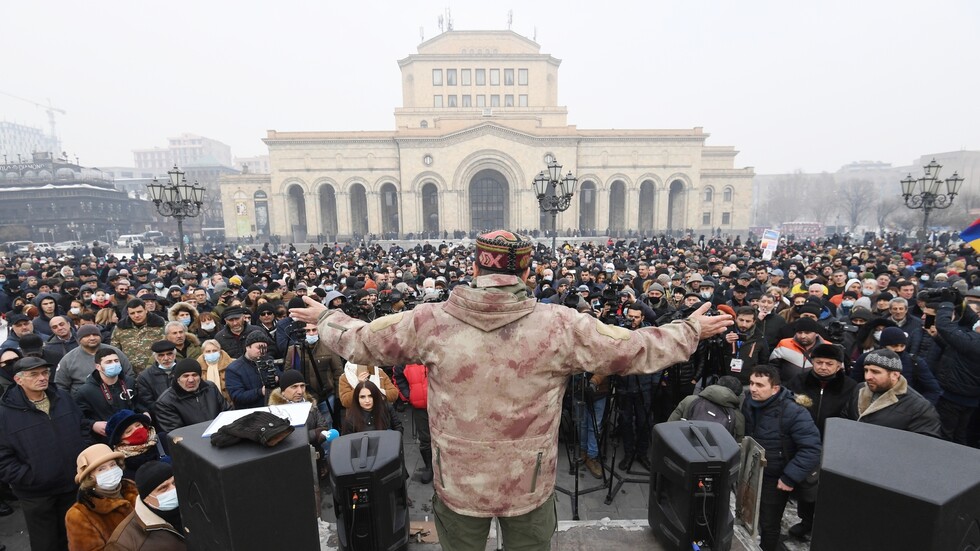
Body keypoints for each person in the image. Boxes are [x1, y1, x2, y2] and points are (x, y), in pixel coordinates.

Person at [290, 229, 732, 551]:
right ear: (525, 270)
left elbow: (364, 340)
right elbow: (633, 349)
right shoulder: (560, 325)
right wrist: (690, 330)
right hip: (529, 482)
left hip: (459, 482)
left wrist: (327, 319)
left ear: (476, 267)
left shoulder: (429, 321)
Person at [0, 356, 92, 551]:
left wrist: (81, 456)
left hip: (71, 485)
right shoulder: (5, 413)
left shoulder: (63, 398)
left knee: (76, 538)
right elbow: (2, 457)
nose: (42, 378)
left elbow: (82, 426)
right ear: (18, 379)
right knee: (46, 543)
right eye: (34, 374)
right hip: (36, 494)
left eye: (45, 373)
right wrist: (30, 476)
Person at [741, 365, 822, 551]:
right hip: (752, 472)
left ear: (775, 388)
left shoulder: (794, 412)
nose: (753, 388)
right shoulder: (748, 402)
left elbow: (811, 448)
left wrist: (789, 477)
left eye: (760, 385)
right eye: (752, 383)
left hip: (776, 478)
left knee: (769, 523)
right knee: (750, 516)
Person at [783, 343, 856, 540]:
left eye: (829, 363)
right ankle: (806, 521)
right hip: (803, 443)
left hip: (835, 444)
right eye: (819, 362)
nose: (823, 367)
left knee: (830, 488)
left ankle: (827, 524)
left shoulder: (851, 387)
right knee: (807, 487)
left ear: (839, 366)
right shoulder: (799, 381)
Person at [841, 348, 943, 438]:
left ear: (895, 375)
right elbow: (844, 419)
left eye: (875, 372)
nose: (868, 376)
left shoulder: (920, 408)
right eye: (866, 370)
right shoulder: (859, 389)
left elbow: (923, 446)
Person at [65, 444, 138, 551]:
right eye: (101, 469)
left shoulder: (133, 488)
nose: (110, 471)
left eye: (113, 465)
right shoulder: (79, 514)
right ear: (90, 477)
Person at [105, 461, 186, 551]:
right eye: (163, 488)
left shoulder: (194, 506)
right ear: (147, 498)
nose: (173, 490)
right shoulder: (123, 543)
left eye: (174, 483)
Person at [74, 348, 137, 443]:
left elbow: (140, 405)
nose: (114, 364)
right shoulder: (85, 391)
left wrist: (145, 413)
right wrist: (93, 425)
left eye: (116, 361)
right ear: (98, 367)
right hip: (107, 440)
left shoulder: (130, 382)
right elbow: (79, 418)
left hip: (133, 435)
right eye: (109, 362)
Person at [153, 359, 231, 434]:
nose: (191, 380)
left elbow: (227, 413)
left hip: (221, 436)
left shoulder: (210, 388)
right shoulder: (166, 402)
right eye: (186, 376)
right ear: (178, 379)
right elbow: (177, 434)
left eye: (194, 375)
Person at [669, 375, 745, 441]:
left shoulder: (690, 400)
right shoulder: (738, 417)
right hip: (716, 456)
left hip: (683, 451)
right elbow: (737, 445)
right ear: (736, 395)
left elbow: (669, 427)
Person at [110, 299, 167, 376]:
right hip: (129, 373)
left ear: (146, 310)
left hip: (157, 372)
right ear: (128, 314)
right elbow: (115, 350)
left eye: (139, 312)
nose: (136, 315)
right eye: (132, 313)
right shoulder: (120, 328)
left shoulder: (161, 325)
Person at [225, 332, 279, 409]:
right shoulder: (234, 369)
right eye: (258, 348)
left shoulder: (269, 360)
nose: (262, 351)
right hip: (250, 411)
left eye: (264, 348)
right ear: (247, 347)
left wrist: (277, 378)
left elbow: (280, 376)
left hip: (273, 406)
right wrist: (260, 392)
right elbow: (237, 396)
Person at [105, 410, 161, 480]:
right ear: (122, 441)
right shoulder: (122, 464)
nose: (136, 430)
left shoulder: (162, 439)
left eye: (138, 425)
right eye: (129, 431)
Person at [134, 340, 179, 417]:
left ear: (175, 355)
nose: (166, 358)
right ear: (155, 357)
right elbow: (147, 402)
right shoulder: (145, 376)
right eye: (161, 355)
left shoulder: (185, 370)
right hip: (161, 416)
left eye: (169, 354)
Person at [196, 339, 233, 404]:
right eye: (208, 351)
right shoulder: (197, 368)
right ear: (203, 353)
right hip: (207, 404)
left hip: (230, 403)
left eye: (214, 350)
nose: (211, 353)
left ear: (220, 351)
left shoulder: (232, 365)